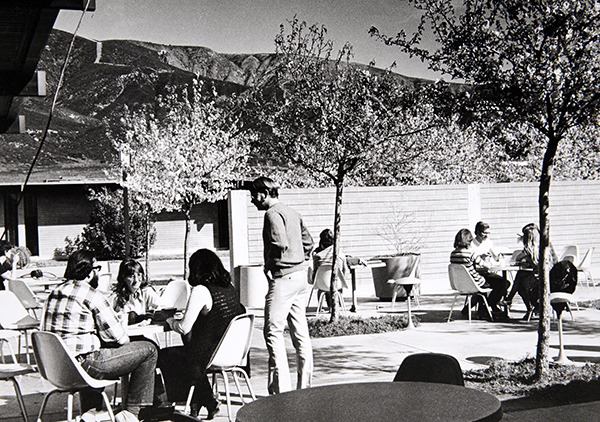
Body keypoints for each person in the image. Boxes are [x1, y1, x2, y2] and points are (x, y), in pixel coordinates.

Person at [40, 250, 161, 422]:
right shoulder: (92, 295)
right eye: (97, 268)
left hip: (55, 368)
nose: (99, 273)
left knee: (95, 350)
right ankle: (132, 413)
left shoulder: (53, 294)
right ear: (90, 272)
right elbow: (119, 338)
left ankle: (90, 413)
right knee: (149, 349)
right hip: (85, 365)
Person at [157, 249, 245, 420]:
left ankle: (200, 402)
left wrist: (169, 320)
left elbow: (184, 328)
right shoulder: (229, 288)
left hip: (209, 354)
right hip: (231, 351)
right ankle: (199, 402)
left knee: (167, 355)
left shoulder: (201, 291)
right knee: (189, 354)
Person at [250, 176, 314, 394]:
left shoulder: (271, 214)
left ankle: (282, 390)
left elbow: (279, 243)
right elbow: (309, 243)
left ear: (265, 193)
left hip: (283, 278)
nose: (252, 200)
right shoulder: (292, 212)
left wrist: (269, 265)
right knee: (300, 334)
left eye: (254, 195)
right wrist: (300, 258)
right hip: (300, 277)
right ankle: (304, 387)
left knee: (272, 332)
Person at [450, 229, 507, 321]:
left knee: (484, 288)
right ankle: (490, 306)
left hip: (462, 283)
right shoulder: (470, 253)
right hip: (476, 281)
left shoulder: (453, 254)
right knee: (503, 283)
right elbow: (485, 265)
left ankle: (476, 309)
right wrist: (486, 260)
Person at [470, 222, 510, 316]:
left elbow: (495, 257)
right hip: (476, 273)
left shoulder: (488, 242)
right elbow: (471, 259)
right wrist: (481, 257)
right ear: (477, 232)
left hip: (486, 271)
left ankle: (487, 305)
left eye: (488, 233)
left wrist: (498, 256)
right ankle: (491, 305)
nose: (486, 236)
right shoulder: (472, 244)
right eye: (484, 233)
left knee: (505, 283)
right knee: (500, 284)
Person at [110, 259, 161, 325]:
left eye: (139, 275)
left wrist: (149, 318)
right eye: (131, 276)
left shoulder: (146, 291)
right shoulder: (116, 296)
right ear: (123, 278)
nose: (136, 280)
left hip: (144, 332)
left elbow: (161, 307)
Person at [312, 229, 348, 309]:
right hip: (338, 283)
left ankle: (321, 307)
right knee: (335, 284)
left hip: (322, 284)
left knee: (323, 287)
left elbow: (315, 271)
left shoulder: (317, 256)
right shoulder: (341, 255)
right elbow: (344, 270)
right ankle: (335, 306)